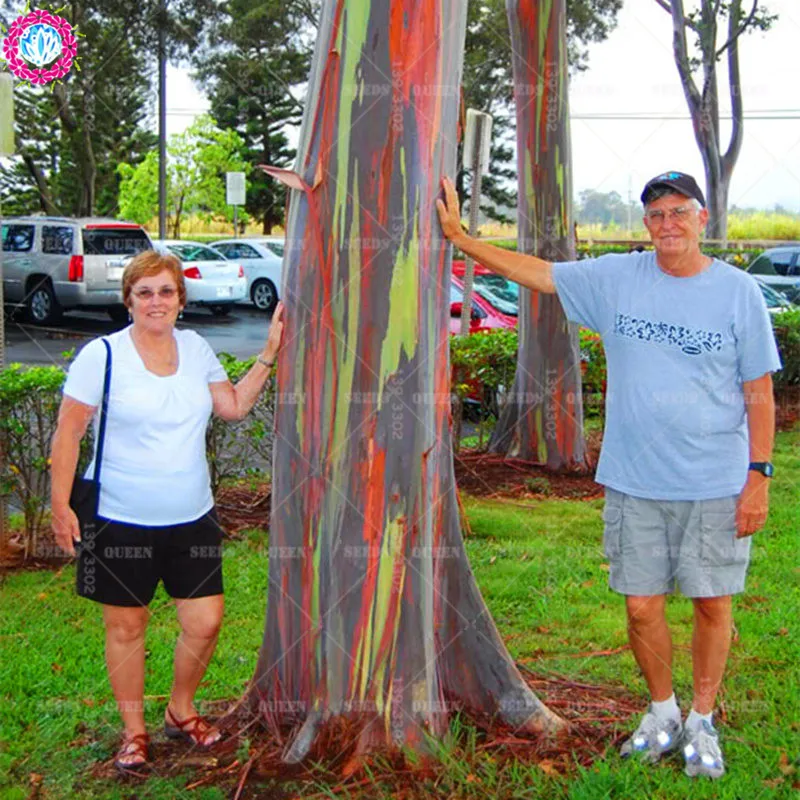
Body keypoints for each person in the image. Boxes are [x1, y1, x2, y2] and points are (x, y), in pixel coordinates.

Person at [437, 171, 781, 779]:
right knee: (642, 607)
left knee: (711, 603)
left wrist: (759, 475)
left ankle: (702, 720)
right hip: (634, 480)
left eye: (679, 212)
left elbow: (759, 389)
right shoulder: (618, 278)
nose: (668, 224)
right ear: (646, 224)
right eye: (657, 215)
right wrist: (463, 241)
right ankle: (663, 712)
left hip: (715, 481)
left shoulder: (737, 292)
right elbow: (540, 274)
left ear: (702, 218)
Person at [50, 250, 285, 773]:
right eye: (144, 292)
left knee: (205, 621)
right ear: (128, 300)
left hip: (191, 516)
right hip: (118, 518)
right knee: (127, 627)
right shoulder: (102, 355)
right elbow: (68, 432)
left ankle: (181, 710)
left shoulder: (196, 348)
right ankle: (134, 732)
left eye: (166, 291)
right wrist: (59, 505)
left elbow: (232, 407)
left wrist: (269, 353)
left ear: (181, 299)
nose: (156, 301)